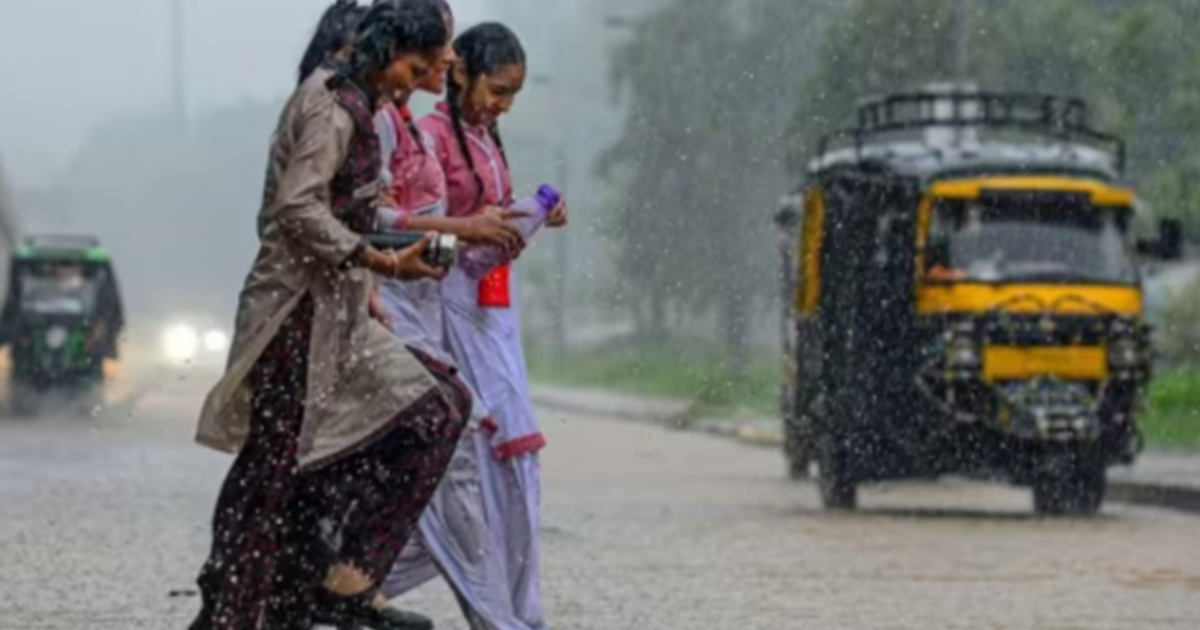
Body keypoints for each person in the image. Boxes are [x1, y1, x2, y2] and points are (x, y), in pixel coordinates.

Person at [187, 3, 467, 629]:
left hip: (341, 312)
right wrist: (376, 259)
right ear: (387, 50)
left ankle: (340, 585)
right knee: (272, 471)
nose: (416, 81)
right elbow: (296, 209)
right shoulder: (331, 105)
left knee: (435, 408)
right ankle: (234, 611)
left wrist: (377, 269)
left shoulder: (364, 104)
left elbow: (346, 213)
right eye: (416, 67)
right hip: (292, 313)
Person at [366, 5, 540, 630]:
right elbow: (366, 221)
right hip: (409, 307)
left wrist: (512, 221)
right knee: (462, 457)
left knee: (491, 468)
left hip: (462, 309)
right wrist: (466, 229)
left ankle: (352, 580)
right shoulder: (388, 124)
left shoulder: (415, 126)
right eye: (437, 53)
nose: (445, 60)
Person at [407, 22, 565, 630]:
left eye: (513, 95)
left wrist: (530, 215)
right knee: (478, 461)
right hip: (445, 308)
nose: (504, 106)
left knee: (514, 464)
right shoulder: (428, 138)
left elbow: (484, 218)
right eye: (497, 91)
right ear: (459, 73)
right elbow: (416, 229)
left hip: (491, 308)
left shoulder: (483, 137)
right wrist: (473, 230)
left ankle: (516, 609)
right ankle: (499, 612)